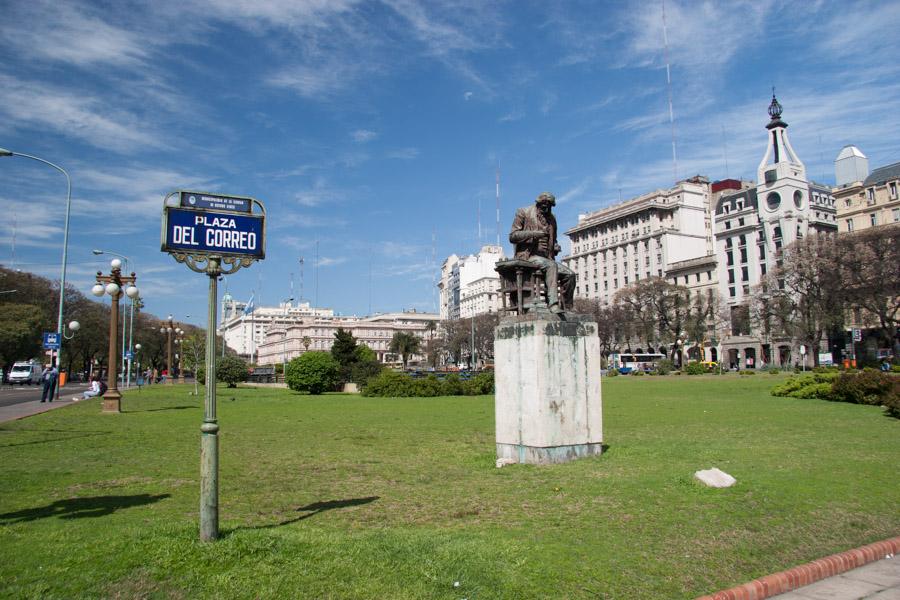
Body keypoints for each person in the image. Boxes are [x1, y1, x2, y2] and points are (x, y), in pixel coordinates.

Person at [509, 192, 577, 313]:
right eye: (543, 205)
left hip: (547, 258)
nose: (546, 208)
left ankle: (567, 306)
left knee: (570, 275)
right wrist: (534, 234)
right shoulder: (523, 212)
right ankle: (553, 304)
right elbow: (513, 236)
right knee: (551, 266)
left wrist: (555, 246)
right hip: (528, 256)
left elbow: (553, 239)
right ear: (538, 203)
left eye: (549, 205)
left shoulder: (552, 219)